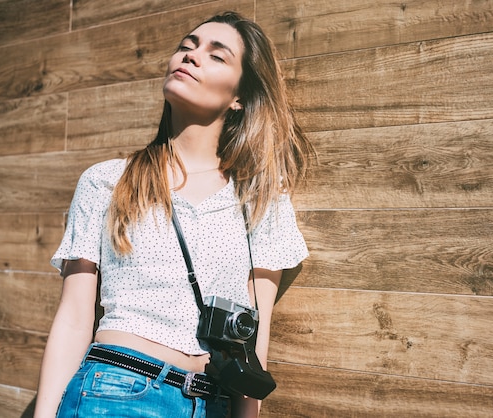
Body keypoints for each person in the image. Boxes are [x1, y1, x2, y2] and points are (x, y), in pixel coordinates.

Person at [34, 11, 313, 418]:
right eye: (186, 46)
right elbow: (75, 318)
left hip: (213, 401)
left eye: (217, 56)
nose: (191, 56)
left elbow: (254, 334)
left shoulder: (261, 198)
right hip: (116, 390)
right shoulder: (108, 181)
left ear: (239, 97)